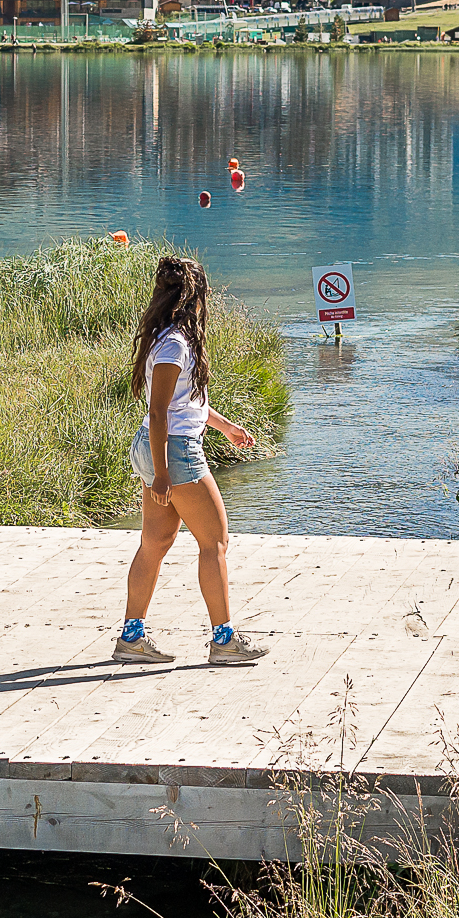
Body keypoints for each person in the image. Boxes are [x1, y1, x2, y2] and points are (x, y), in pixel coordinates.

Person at [115, 254, 266, 666]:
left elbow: (186, 405)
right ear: (194, 296)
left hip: (158, 445)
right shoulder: (176, 344)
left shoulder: (166, 337)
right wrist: (163, 474)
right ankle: (224, 641)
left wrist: (227, 427)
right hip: (173, 451)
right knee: (214, 542)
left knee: (155, 543)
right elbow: (160, 410)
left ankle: (132, 638)